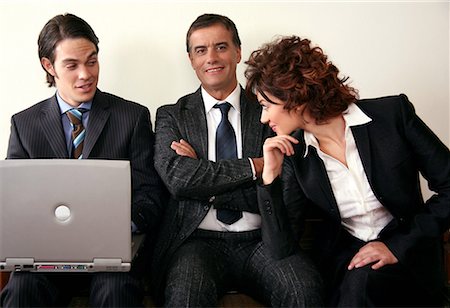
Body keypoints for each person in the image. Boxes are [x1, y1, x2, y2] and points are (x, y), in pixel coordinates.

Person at [245, 35, 450, 307]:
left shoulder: (392, 116)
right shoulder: (297, 155)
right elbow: (281, 248)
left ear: (294, 95)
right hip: (347, 267)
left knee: (362, 285)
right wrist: (269, 178)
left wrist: (396, 247)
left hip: (409, 257)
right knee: (358, 283)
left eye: (266, 106)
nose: (263, 118)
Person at [151, 14, 323, 307]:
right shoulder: (172, 115)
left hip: (263, 239)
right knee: (185, 297)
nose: (212, 58)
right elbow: (180, 181)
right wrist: (256, 167)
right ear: (191, 59)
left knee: (303, 290)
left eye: (221, 46)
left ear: (238, 51)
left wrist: (205, 179)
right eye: (200, 50)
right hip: (197, 242)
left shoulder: (272, 111)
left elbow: (287, 192)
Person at [0, 13, 164, 307]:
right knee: (21, 290)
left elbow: (150, 194)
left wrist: (120, 227)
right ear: (48, 66)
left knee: (115, 292)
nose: (85, 74)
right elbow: (13, 202)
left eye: (92, 61)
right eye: (71, 65)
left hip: (110, 256)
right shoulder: (25, 125)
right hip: (45, 257)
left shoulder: (132, 117)